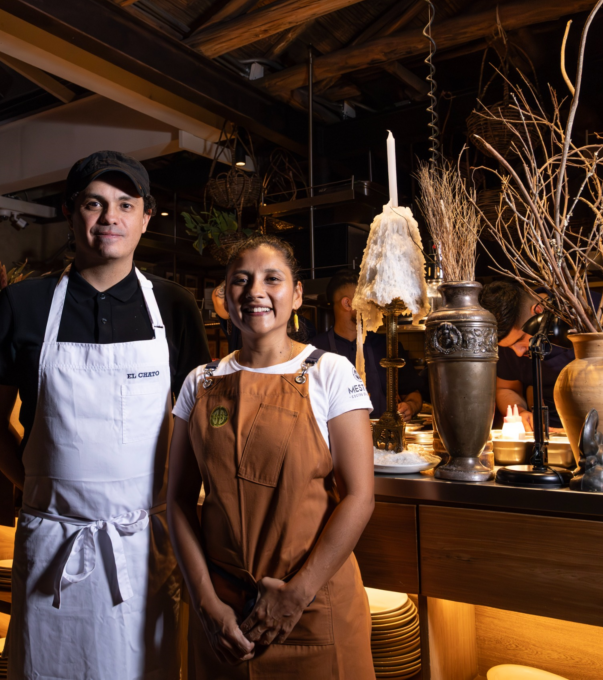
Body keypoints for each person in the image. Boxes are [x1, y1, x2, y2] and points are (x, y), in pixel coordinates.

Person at [0, 151, 209, 680]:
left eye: (126, 204)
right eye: (93, 203)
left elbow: (197, 421)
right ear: (69, 212)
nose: (110, 217)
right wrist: (40, 488)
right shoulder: (23, 304)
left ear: (146, 218)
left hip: (146, 543)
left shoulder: (174, 305)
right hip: (55, 541)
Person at [167, 235, 375, 679]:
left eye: (272, 279)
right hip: (224, 617)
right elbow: (179, 502)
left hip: (314, 607)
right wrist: (205, 602)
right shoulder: (199, 383)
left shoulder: (330, 372)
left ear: (296, 295)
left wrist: (297, 594)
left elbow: (360, 497)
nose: (255, 291)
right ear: (225, 299)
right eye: (240, 281)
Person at [480, 280, 603, 431]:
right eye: (507, 347)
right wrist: (520, 414)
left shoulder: (596, 312)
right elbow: (507, 388)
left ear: (539, 311)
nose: (518, 352)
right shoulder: (509, 330)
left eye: (519, 341)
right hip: (556, 439)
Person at [312, 268, 425, 422]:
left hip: (383, 439)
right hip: (335, 439)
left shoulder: (388, 347)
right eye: (368, 299)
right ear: (347, 303)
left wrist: (410, 406)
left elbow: (414, 393)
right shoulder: (313, 350)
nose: (374, 305)